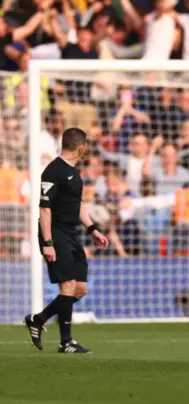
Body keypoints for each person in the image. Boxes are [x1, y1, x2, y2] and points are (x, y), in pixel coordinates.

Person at [24, 128, 109, 354]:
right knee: (68, 286)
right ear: (81, 148)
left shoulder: (75, 172)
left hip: (71, 233)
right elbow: (44, 208)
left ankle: (38, 319)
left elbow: (77, 205)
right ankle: (66, 342)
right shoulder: (53, 171)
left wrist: (92, 229)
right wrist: (48, 242)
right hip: (55, 232)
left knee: (79, 289)